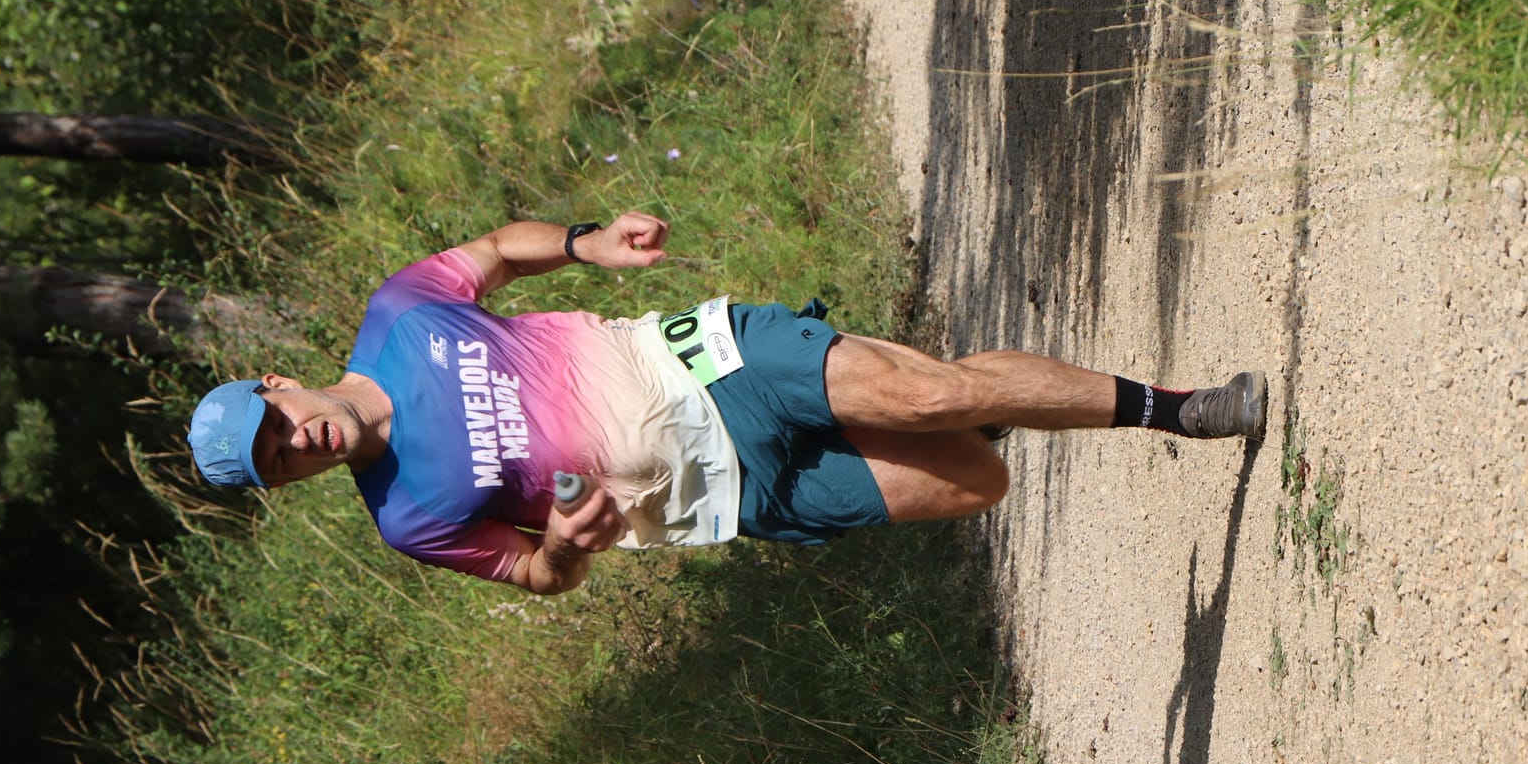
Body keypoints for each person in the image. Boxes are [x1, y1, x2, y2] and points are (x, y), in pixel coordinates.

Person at [186, 212, 1265, 594]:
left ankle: (1178, 411)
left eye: (275, 421)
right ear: (292, 482)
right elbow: (534, 575)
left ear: (277, 383)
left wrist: (585, 246)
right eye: (279, 462)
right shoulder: (407, 517)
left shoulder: (401, 314)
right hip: (722, 493)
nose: (297, 441)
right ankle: (957, 399)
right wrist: (565, 545)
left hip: (701, 365)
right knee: (973, 477)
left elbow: (490, 256)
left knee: (933, 390)